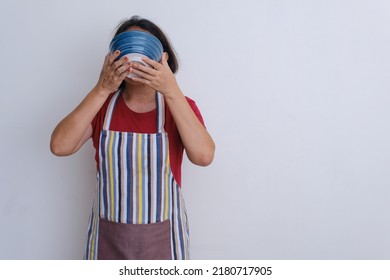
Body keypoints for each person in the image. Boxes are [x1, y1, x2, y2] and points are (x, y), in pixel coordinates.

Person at [50, 16, 215, 260]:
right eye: (125, 50)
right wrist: (102, 88)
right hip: (108, 240)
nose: (134, 59)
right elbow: (59, 146)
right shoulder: (102, 106)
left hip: (163, 242)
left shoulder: (179, 107)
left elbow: (203, 156)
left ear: (162, 58)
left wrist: (171, 89)